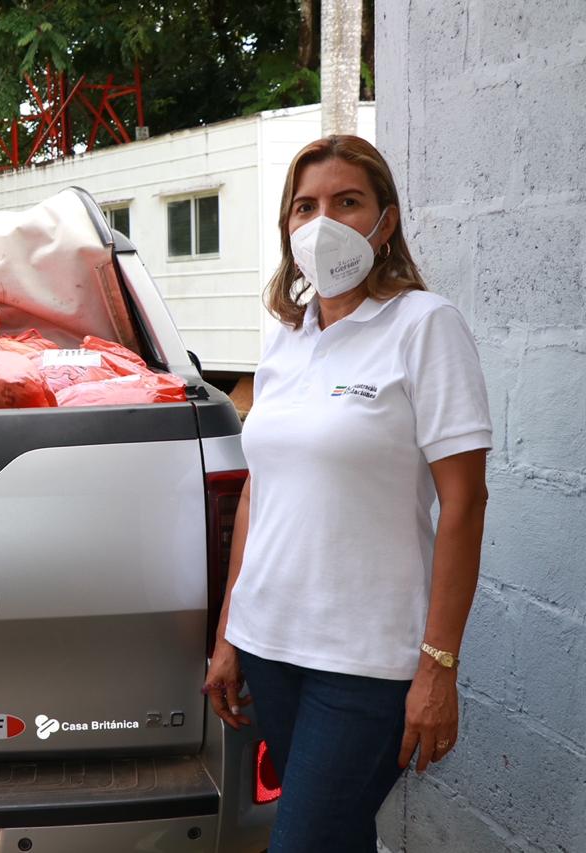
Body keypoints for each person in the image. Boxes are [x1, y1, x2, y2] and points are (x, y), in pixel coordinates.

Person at [204, 136, 491, 851]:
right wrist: (230, 635)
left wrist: (439, 667)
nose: (323, 220)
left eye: (347, 201)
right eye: (306, 206)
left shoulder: (425, 326)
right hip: (271, 649)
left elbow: (465, 501)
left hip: (366, 665)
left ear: (385, 222)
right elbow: (257, 496)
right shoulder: (284, 339)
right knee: (337, 836)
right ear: (287, 228)